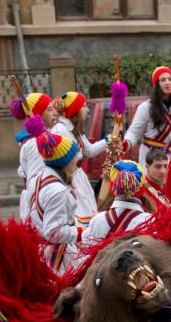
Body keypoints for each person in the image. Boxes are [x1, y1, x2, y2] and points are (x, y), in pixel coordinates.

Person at [31, 130, 80, 322]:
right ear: (63, 161)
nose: (77, 160)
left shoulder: (43, 178)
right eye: (73, 157)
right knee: (65, 307)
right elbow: (53, 231)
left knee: (57, 307)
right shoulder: (58, 191)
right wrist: (80, 231)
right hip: (58, 257)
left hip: (47, 253)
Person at [53, 91, 107, 230]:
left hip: (78, 176)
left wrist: (108, 141)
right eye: (83, 106)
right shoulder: (61, 131)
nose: (87, 110)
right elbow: (71, 157)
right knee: (79, 215)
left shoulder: (74, 130)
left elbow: (88, 151)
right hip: (69, 179)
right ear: (75, 111)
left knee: (88, 211)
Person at [82, 161, 151, 247]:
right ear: (141, 189)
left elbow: (86, 246)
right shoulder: (149, 221)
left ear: (112, 187)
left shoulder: (98, 220)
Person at [13, 92, 57, 219]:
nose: (55, 113)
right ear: (38, 115)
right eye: (49, 109)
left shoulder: (41, 138)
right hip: (41, 207)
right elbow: (36, 179)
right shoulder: (34, 144)